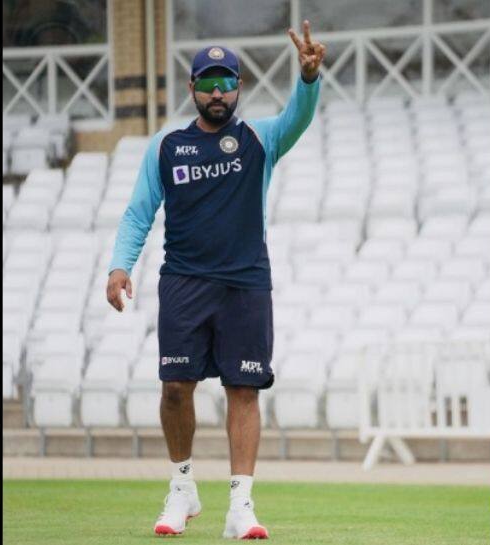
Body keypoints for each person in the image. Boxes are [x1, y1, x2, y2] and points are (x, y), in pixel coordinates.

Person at [106, 20, 326, 540]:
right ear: (192, 89)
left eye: (227, 82)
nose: (217, 92)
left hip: (246, 284)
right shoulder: (166, 145)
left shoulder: (260, 139)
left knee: (243, 389)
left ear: (239, 88)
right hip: (184, 282)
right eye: (207, 82)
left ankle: (241, 506)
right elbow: (138, 214)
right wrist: (121, 265)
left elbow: (298, 116)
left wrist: (310, 78)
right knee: (175, 389)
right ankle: (182, 488)